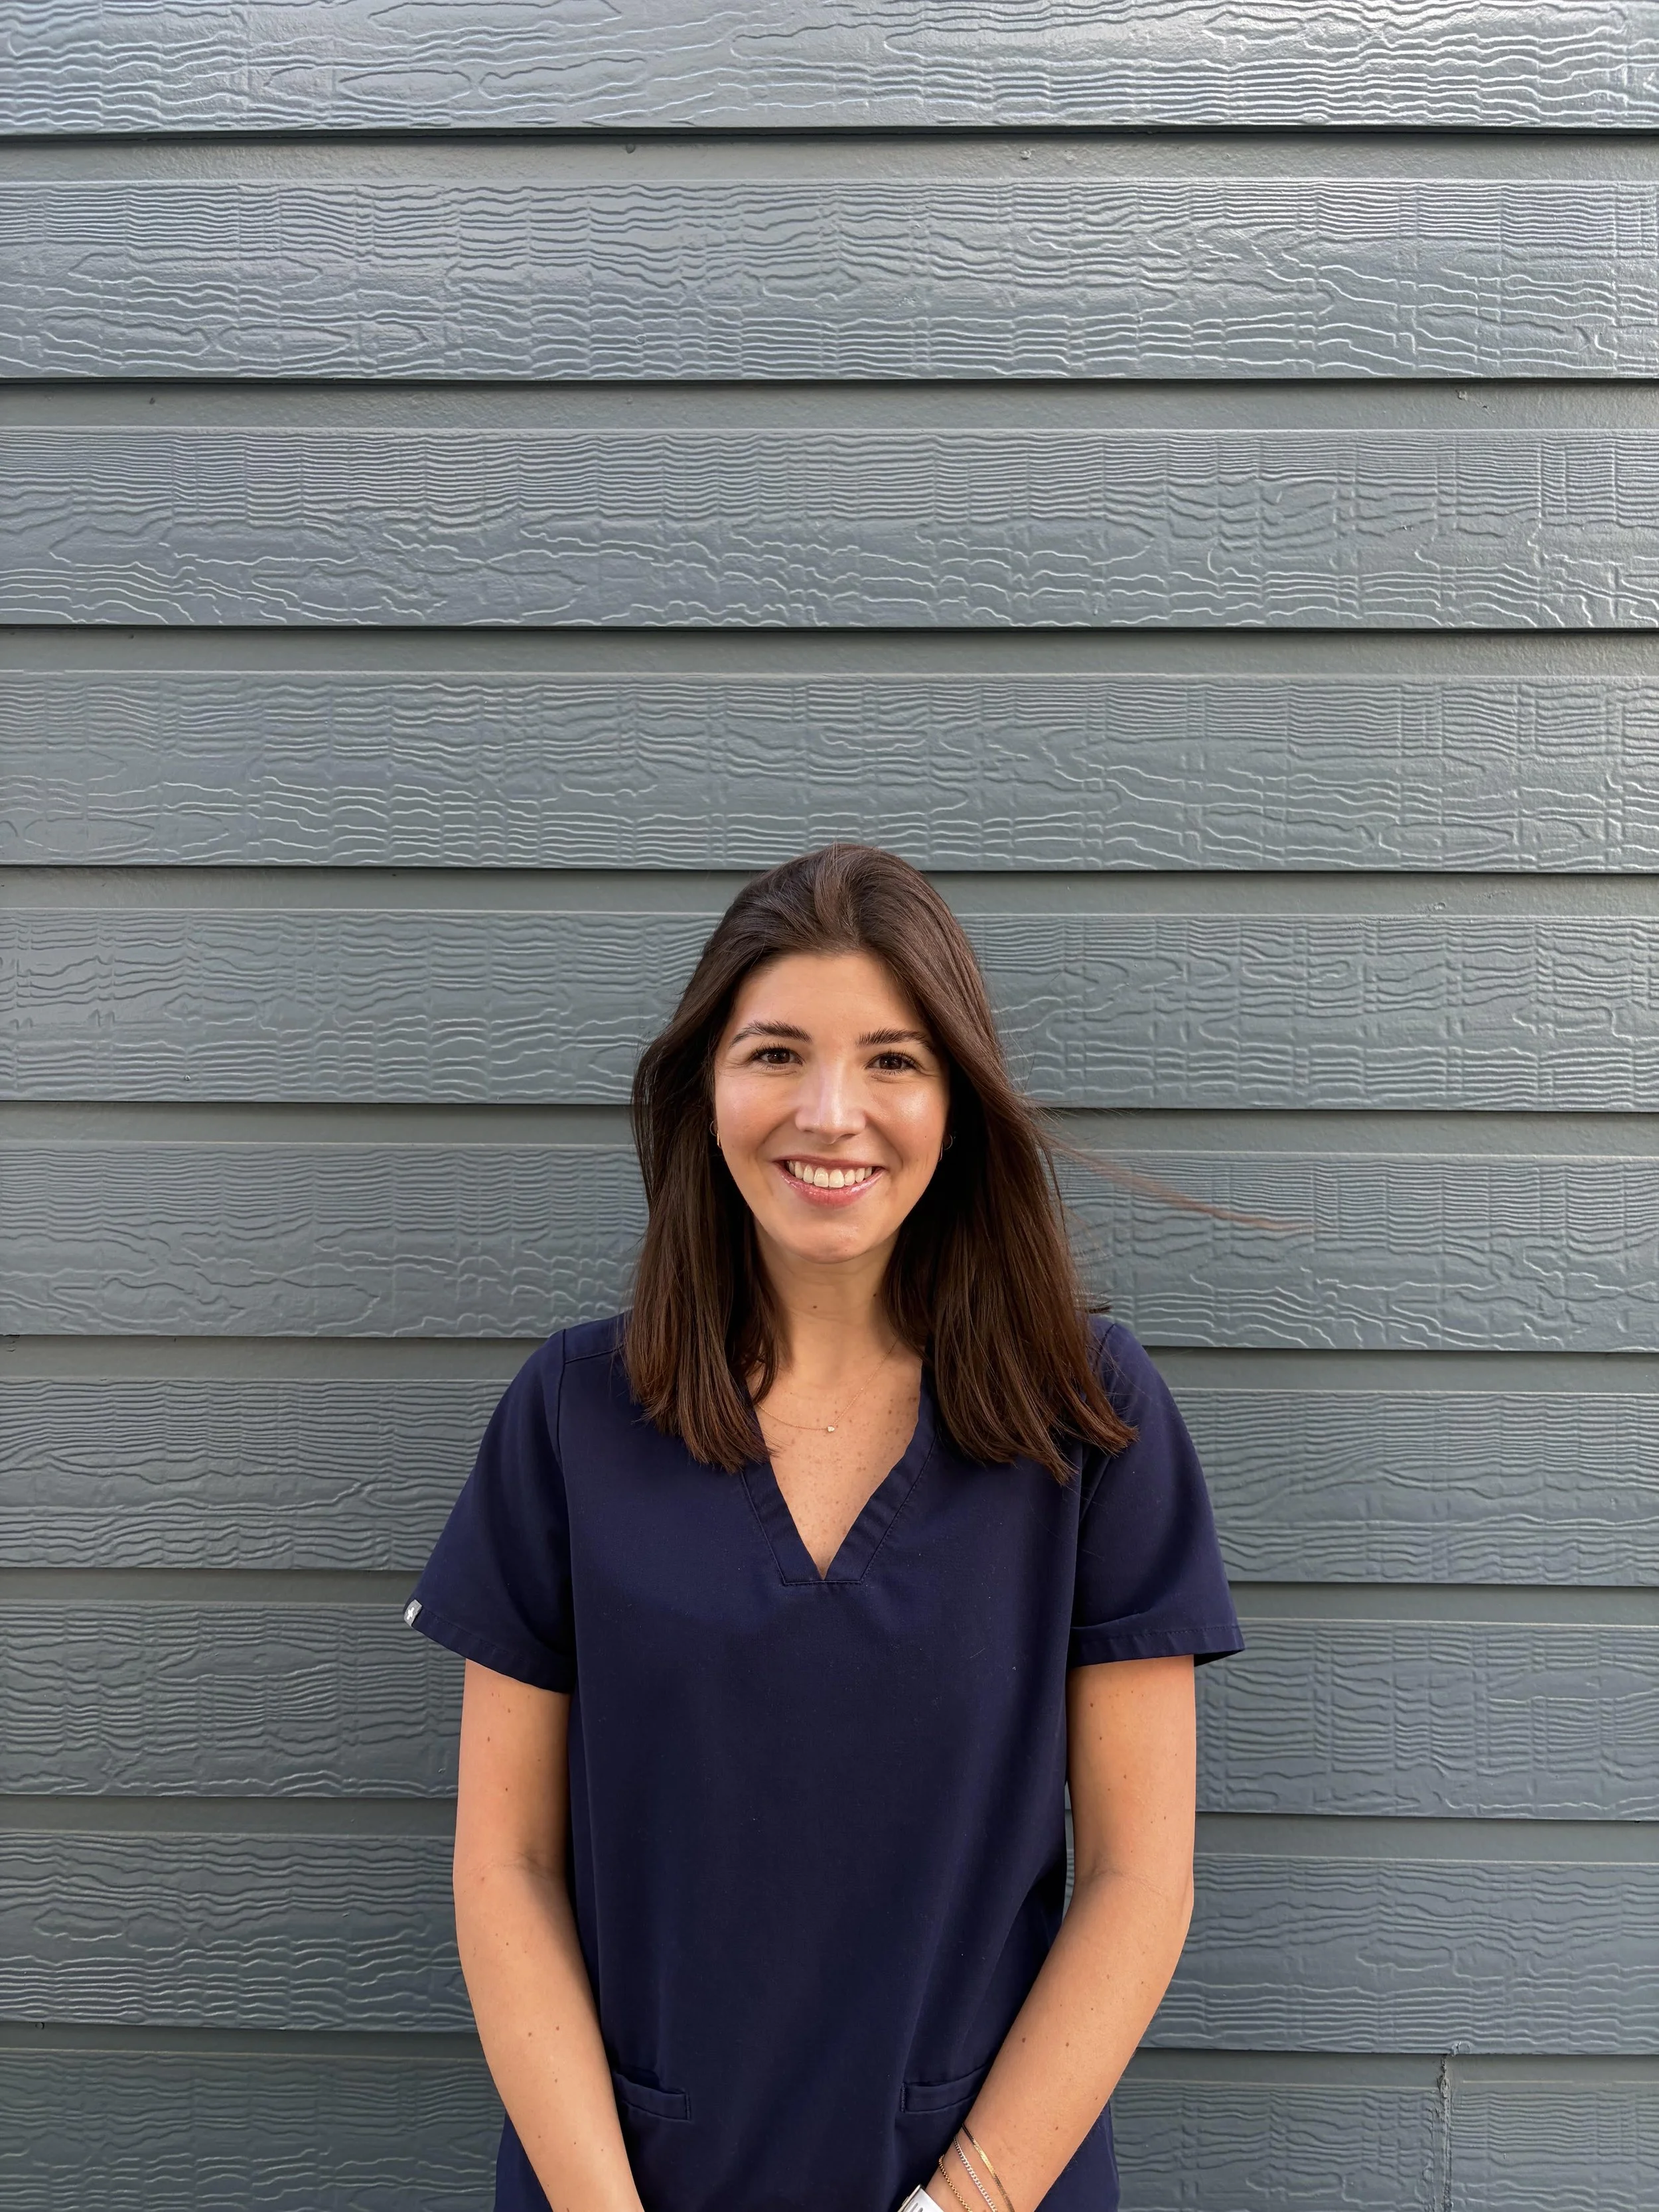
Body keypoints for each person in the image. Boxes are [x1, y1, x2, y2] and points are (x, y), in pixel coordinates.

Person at [405, 844, 1243, 2212]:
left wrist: (956, 2202)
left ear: (956, 1102)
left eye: (894, 1060)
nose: (831, 1112)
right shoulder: (570, 1420)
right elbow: (506, 1865)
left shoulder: (1085, 1422)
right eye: (776, 1052)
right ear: (706, 1091)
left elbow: (1140, 1878)